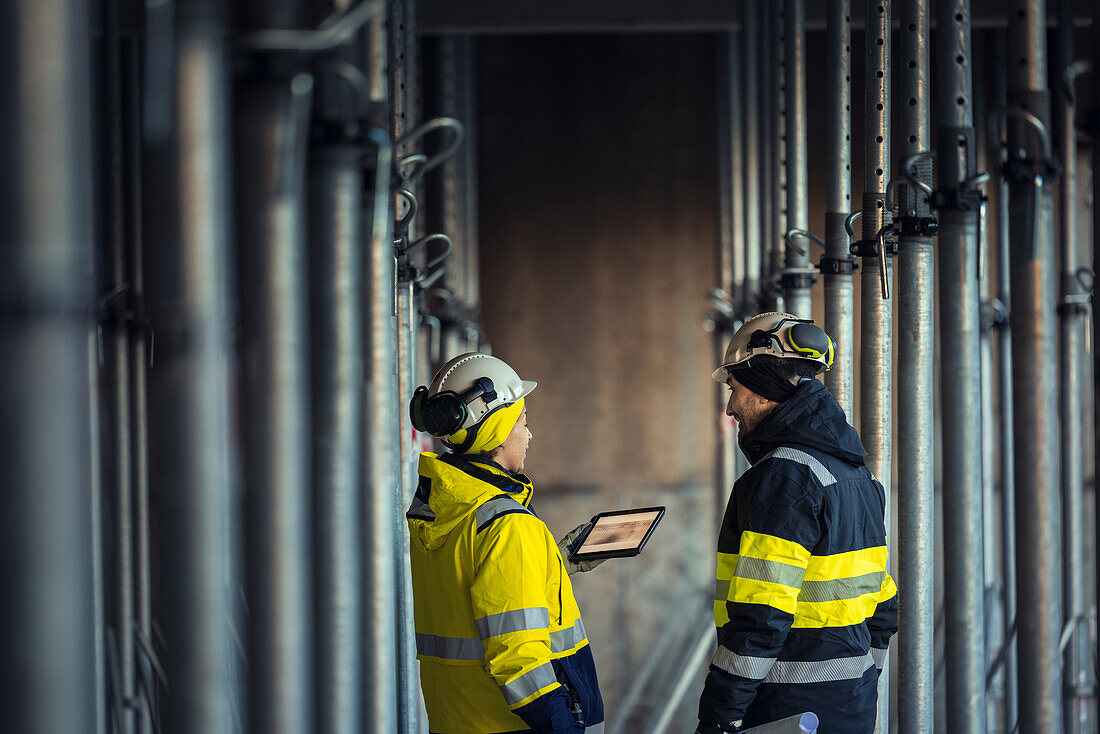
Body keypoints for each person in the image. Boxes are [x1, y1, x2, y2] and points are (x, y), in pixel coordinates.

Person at [696, 313, 898, 734]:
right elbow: (883, 604)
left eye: (735, 389)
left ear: (766, 384)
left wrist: (720, 716)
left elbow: (760, 616)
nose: (730, 407)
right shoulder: (858, 475)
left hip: (785, 709)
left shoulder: (784, 476)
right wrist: (862, 681)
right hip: (853, 705)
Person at [407, 352, 604, 734]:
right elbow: (519, 659)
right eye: (523, 422)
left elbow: (474, 594)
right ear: (496, 431)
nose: (529, 435)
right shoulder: (508, 526)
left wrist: (551, 560)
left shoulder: (439, 514)